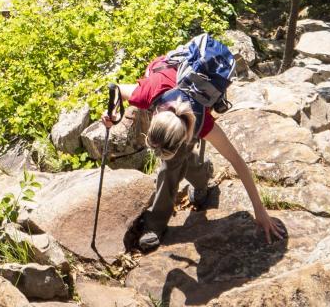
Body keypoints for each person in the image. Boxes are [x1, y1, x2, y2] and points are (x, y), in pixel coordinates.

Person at [107, 47, 284, 253]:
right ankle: (202, 177)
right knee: (175, 160)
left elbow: (237, 162)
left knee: (171, 165)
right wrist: (111, 114)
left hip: (191, 104)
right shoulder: (149, 93)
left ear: (186, 134)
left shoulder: (204, 124)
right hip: (166, 79)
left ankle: (155, 224)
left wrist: (260, 211)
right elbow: (116, 89)